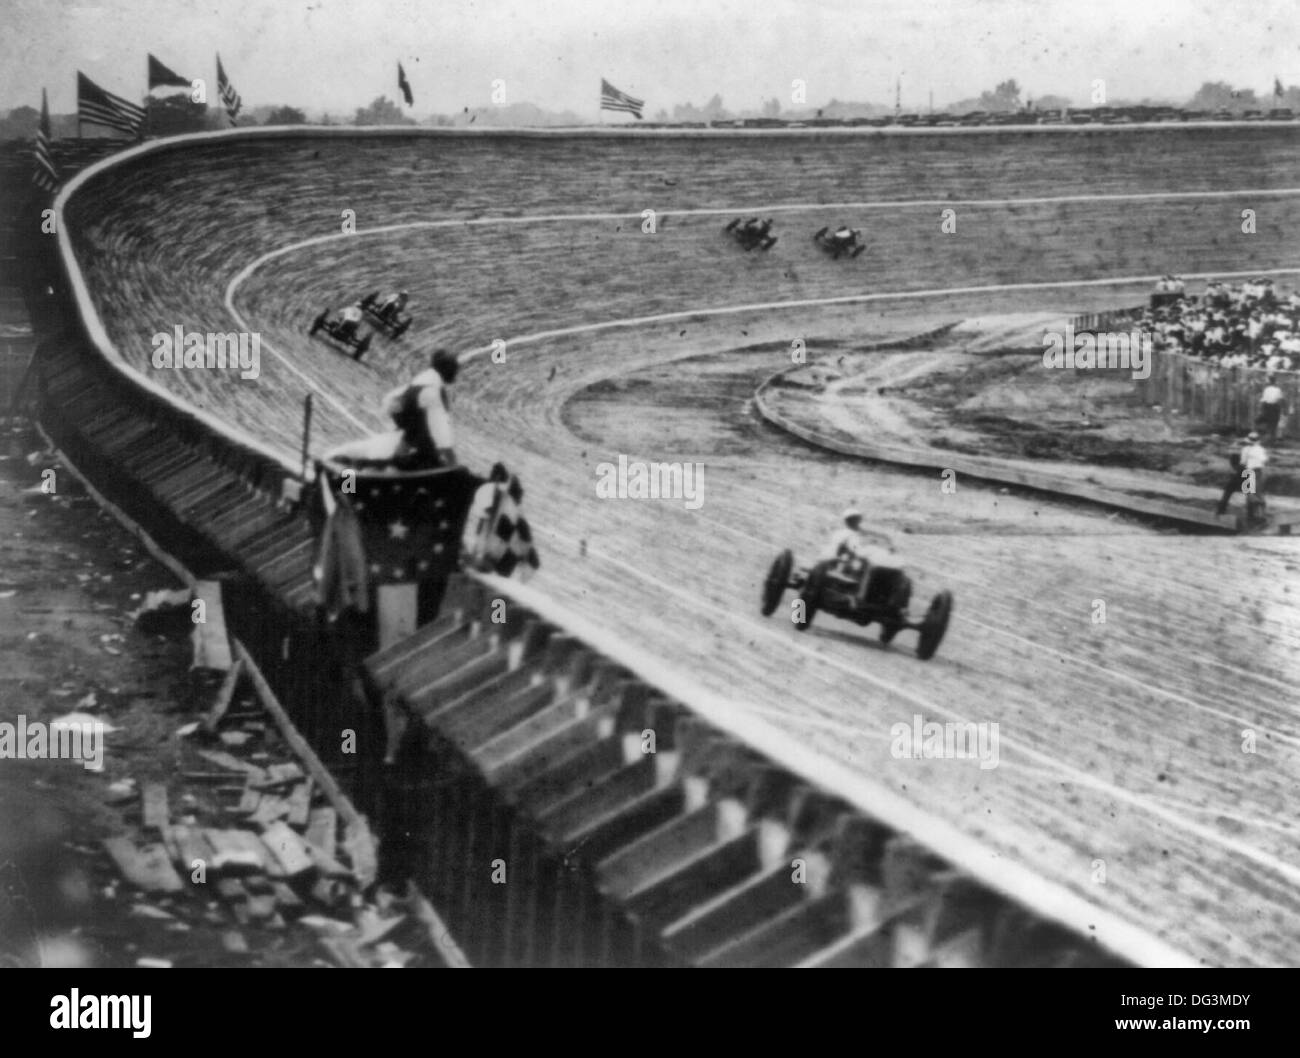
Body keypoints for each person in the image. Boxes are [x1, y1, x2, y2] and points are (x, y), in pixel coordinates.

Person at [382, 348, 459, 469]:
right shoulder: (434, 391)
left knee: (416, 434)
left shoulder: (425, 378)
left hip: (403, 412)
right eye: (454, 369)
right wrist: (453, 462)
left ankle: (397, 460)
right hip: (410, 416)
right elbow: (441, 431)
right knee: (428, 446)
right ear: (447, 370)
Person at [1216, 431, 1267, 515]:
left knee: (1229, 489)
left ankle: (1221, 509)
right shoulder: (1260, 449)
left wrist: (1238, 470)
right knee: (1252, 492)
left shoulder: (1245, 449)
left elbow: (1242, 463)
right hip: (1257, 472)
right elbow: (1263, 461)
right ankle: (1253, 513)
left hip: (1245, 470)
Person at [1255, 374, 1286, 444]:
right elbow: (1280, 400)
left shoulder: (1270, 389)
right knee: (1271, 424)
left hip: (1270, 407)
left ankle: (1270, 439)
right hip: (1271, 407)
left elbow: (1264, 400)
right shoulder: (1273, 389)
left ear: (1270, 381)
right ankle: (1269, 439)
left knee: (1271, 424)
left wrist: (1261, 409)